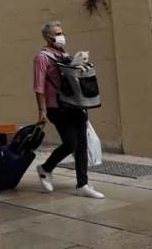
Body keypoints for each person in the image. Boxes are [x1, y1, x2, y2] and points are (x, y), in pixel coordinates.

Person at [33, 21, 104, 199]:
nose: (61, 36)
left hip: (75, 105)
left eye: (61, 33)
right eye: (57, 34)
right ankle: (45, 168)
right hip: (56, 107)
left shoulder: (63, 54)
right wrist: (42, 111)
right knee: (71, 143)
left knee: (82, 145)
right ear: (48, 37)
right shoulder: (42, 58)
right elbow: (39, 86)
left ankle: (83, 184)